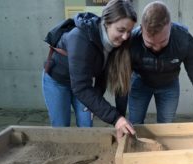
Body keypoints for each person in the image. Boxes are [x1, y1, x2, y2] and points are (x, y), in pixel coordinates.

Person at [42, 0, 137, 138]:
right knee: (61, 128)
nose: (125, 37)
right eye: (121, 30)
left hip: (82, 82)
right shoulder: (80, 38)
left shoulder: (118, 42)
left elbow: (108, 77)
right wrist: (115, 119)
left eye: (129, 31)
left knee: (86, 126)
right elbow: (81, 88)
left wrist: (120, 118)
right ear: (106, 22)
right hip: (58, 81)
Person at [128, 1, 193, 132]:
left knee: (166, 128)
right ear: (141, 28)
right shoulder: (132, 41)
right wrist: (118, 117)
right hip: (140, 82)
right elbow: (121, 81)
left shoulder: (185, 41)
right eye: (150, 43)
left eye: (162, 42)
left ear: (170, 26)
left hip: (169, 86)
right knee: (134, 124)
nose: (156, 48)